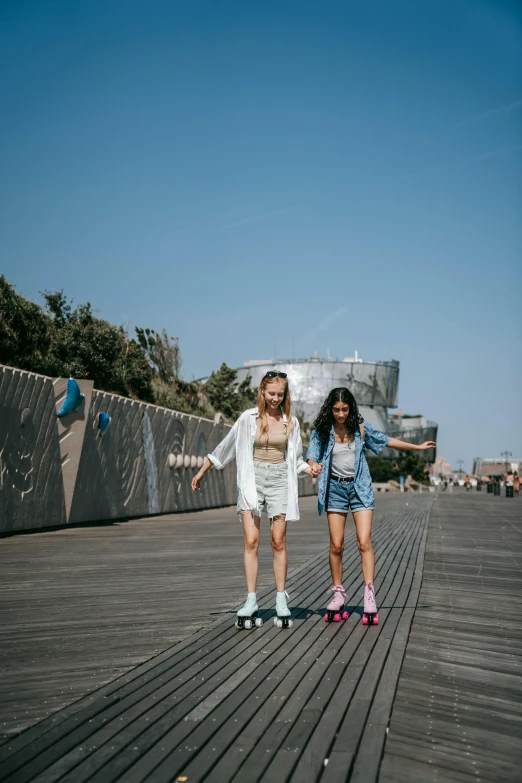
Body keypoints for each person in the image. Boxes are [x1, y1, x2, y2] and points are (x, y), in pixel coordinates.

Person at [192, 371, 314, 629]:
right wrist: (202, 471)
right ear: (262, 392)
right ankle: (251, 600)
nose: (275, 398)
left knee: (278, 541)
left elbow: (297, 459)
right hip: (253, 481)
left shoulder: (291, 422)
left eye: (280, 394)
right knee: (251, 540)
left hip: (280, 481)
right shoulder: (248, 418)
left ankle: (281, 599)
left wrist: (309, 469)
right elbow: (225, 446)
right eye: (271, 393)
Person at [306, 387, 436, 626]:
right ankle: (338, 592)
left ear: (351, 408)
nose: (341, 414)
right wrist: (314, 464)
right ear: (330, 409)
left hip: (360, 489)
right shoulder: (323, 430)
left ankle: (369, 592)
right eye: (336, 410)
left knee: (363, 541)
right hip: (334, 489)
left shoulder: (360, 427)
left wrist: (417, 448)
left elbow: (386, 441)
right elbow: (312, 454)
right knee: (336, 545)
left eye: (345, 409)